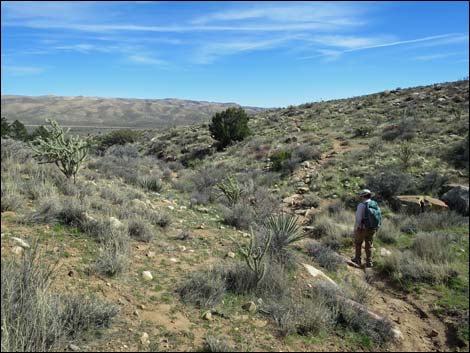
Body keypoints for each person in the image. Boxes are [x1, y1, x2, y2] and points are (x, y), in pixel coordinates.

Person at [352, 189, 381, 268]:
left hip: (362, 228)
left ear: (363, 196)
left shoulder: (362, 205)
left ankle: (357, 259)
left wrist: (357, 227)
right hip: (372, 228)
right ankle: (369, 262)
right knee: (369, 245)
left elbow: (358, 218)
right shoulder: (374, 204)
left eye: (361, 196)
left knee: (358, 243)